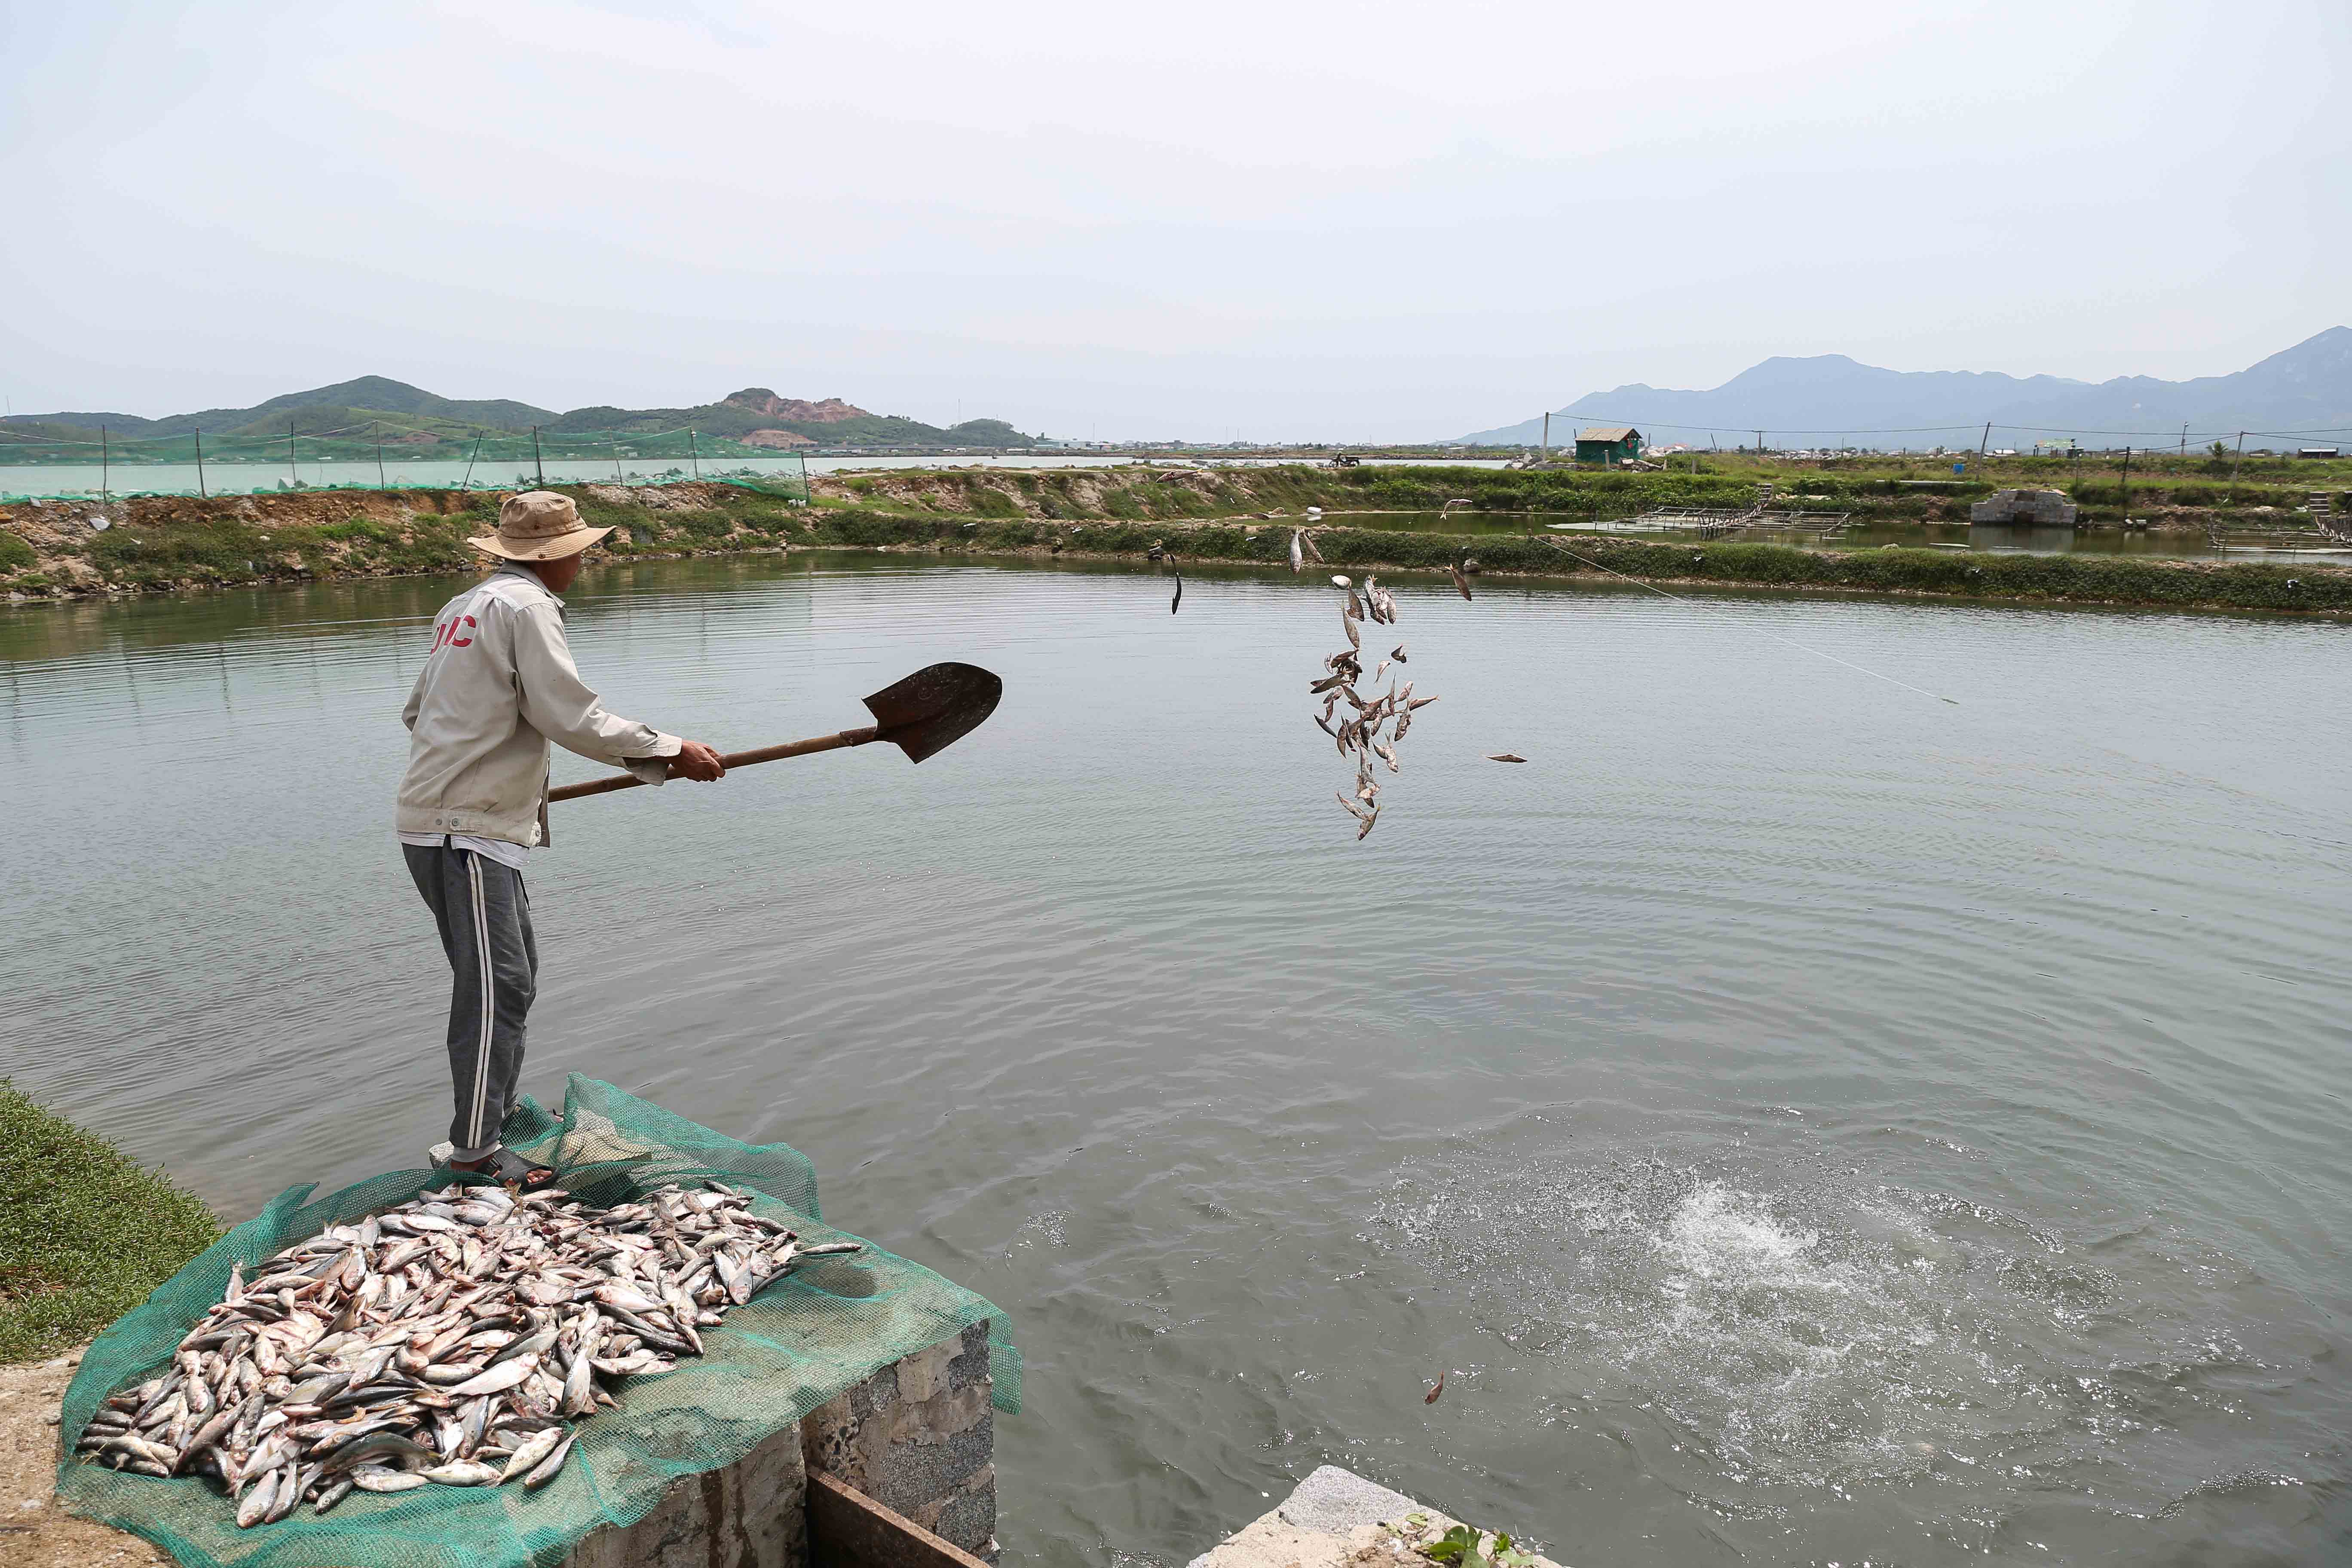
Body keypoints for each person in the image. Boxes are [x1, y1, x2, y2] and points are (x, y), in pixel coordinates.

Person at [395, 490, 726, 1187]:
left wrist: (504, 776)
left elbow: (419, 712)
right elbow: (567, 714)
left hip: (461, 824)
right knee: (494, 988)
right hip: (464, 833)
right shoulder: (528, 607)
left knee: (514, 979)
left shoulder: (465, 605)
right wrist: (670, 750)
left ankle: (496, 1115)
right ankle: (478, 1153)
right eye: (579, 550)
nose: (583, 559)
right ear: (561, 555)